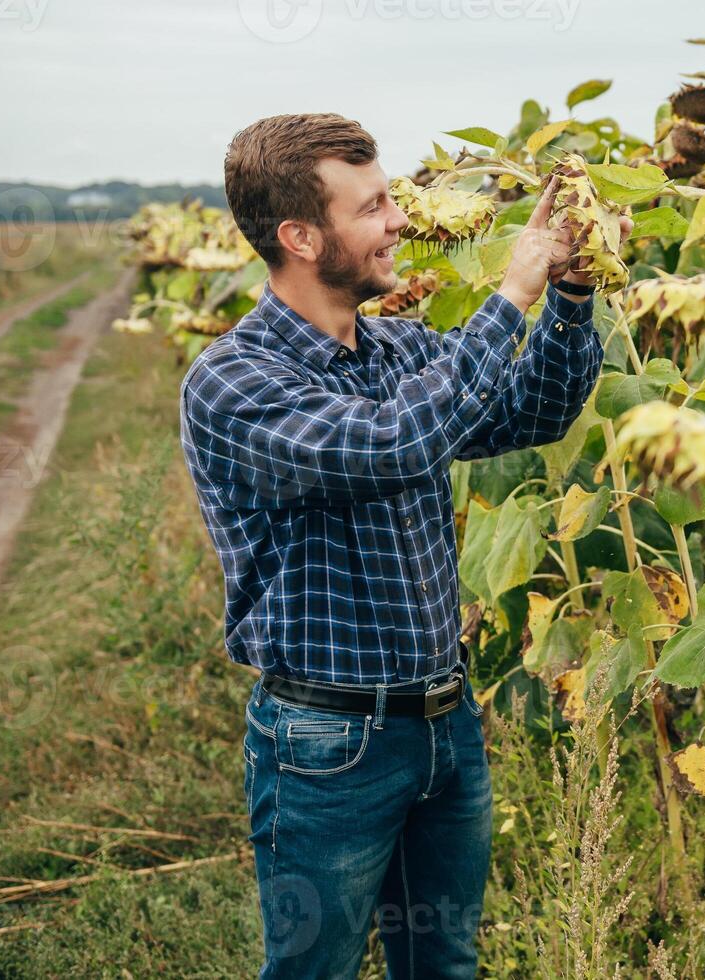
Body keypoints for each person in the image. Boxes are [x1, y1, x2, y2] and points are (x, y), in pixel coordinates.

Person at [178, 112, 624, 978]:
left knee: (444, 965)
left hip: (444, 726)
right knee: (317, 969)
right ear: (301, 237)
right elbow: (391, 444)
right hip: (328, 742)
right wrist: (511, 296)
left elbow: (532, 410)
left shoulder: (395, 348)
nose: (397, 223)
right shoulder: (234, 381)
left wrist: (569, 294)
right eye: (373, 207)